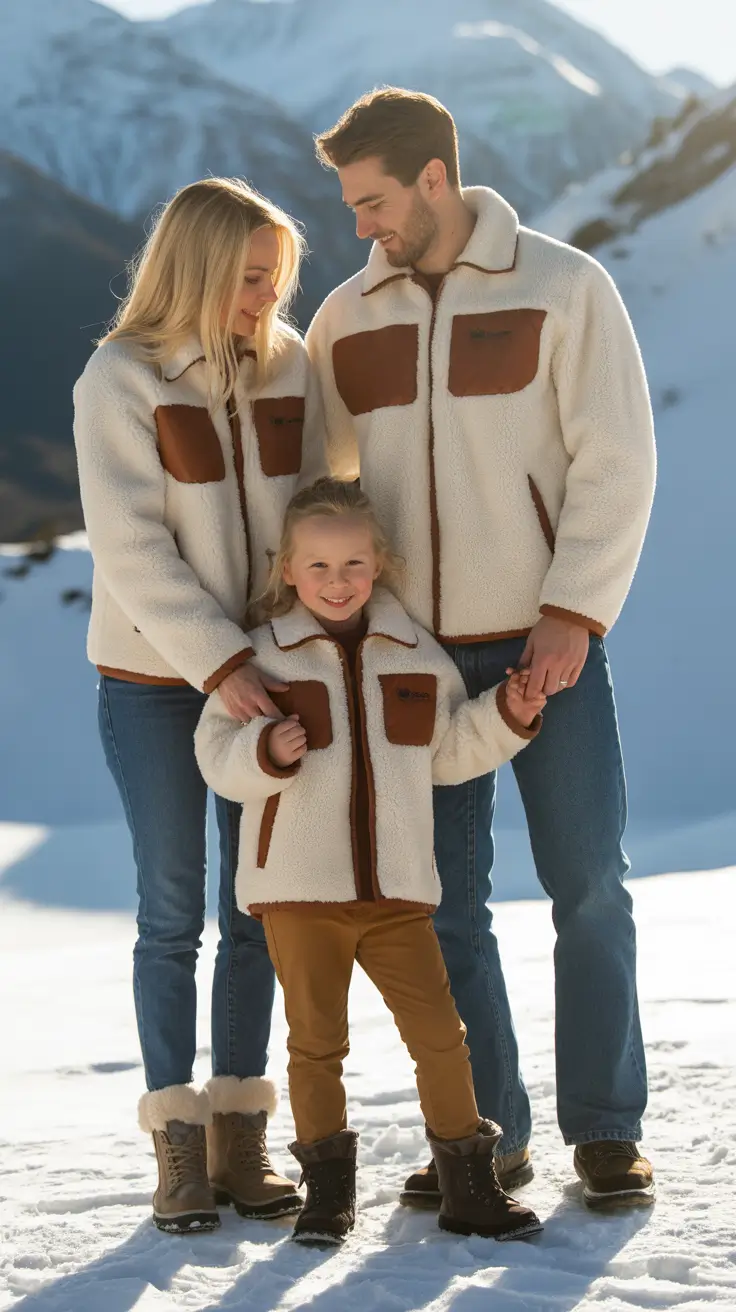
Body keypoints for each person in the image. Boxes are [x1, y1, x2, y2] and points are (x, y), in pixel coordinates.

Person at [303, 89, 657, 1211]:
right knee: (448, 910)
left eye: (373, 202)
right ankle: (486, 1137)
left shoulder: (563, 287)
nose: (363, 227)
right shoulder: (345, 320)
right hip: (411, 660)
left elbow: (617, 461)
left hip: (544, 639)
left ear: (434, 178)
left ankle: (607, 1128)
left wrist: (573, 608)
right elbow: (320, 489)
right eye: (351, 208)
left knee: (587, 884)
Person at [195, 477, 546, 1245]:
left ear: (379, 563)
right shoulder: (264, 656)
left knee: (440, 1036)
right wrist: (264, 749)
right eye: (318, 566)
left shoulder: (413, 651)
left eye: (354, 563)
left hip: (397, 895)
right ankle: (327, 1196)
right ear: (289, 569)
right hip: (299, 894)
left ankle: (469, 1187)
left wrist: (510, 714)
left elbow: (447, 751)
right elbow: (215, 755)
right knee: (316, 1045)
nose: (338, 581)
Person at [73, 177, 326, 1234]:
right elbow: (130, 548)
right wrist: (221, 664)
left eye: (278, 278)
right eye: (251, 277)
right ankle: (177, 1146)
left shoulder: (290, 365)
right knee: (172, 911)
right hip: (152, 685)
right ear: (199, 268)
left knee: (254, 907)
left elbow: (319, 506)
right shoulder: (120, 378)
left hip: (263, 676)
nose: (269, 297)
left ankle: (240, 1134)